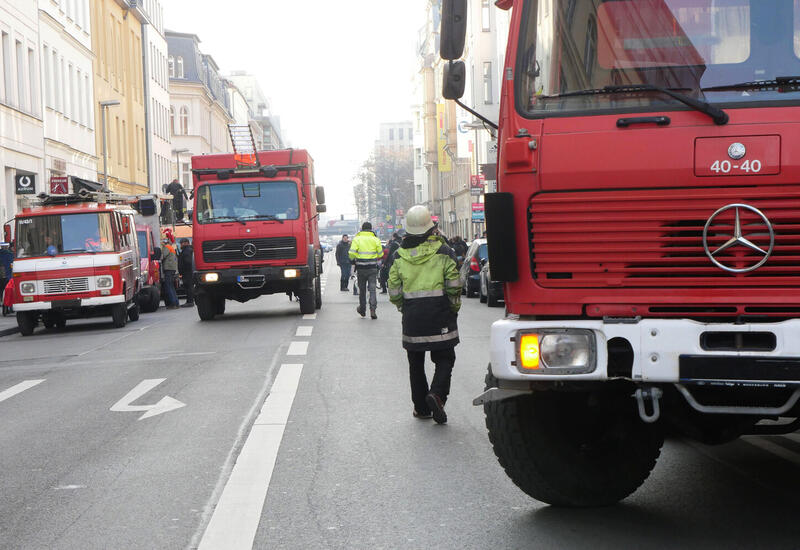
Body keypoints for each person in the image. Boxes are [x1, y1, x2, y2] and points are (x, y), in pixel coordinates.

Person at [388, 205, 462, 424]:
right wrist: (453, 307)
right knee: (445, 357)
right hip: (440, 313)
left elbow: (393, 289)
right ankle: (437, 394)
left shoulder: (398, 256)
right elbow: (454, 285)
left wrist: (404, 306)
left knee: (415, 362)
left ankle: (421, 408)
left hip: (412, 316)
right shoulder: (444, 251)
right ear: (432, 228)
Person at [348, 221, 383, 319]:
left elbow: (351, 254)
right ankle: (373, 310)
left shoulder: (357, 239)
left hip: (361, 269)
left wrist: (354, 259)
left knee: (362, 290)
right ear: (371, 229)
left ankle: (362, 310)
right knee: (372, 290)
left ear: (362, 229)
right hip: (372, 268)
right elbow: (380, 254)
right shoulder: (376, 239)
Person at [161, 233, 180, 310]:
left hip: (168, 269)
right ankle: (176, 303)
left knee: (169, 286)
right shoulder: (171, 247)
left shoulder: (167, 247)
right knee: (171, 286)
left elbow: (162, 256)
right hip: (172, 269)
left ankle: (173, 303)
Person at [178, 238, 194, 307]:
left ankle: (190, 301)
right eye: (181, 243)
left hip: (187, 272)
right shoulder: (186, 250)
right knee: (187, 286)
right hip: (186, 272)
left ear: (187, 243)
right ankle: (189, 301)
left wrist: (184, 269)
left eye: (182, 243)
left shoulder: (187, 250)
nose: (181, 245)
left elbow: (188, 262)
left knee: (189, 287)